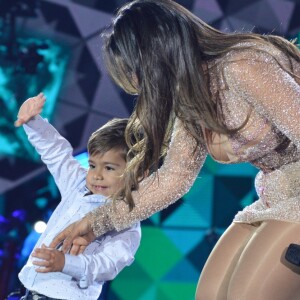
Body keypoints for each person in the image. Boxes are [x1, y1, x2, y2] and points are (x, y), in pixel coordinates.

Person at [49, 0, 300, 299]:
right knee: (210, 294)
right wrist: (96, 223)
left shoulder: (241, 67)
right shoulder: (191, 99)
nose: (139, 85)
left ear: (158, 54)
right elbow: (174, 178)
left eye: (136, 70)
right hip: (276, 192)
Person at [14, 93, 141, 300]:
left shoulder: (126, 220)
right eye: (92, 165)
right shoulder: (78, 184)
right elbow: (57, 153)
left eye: (109, 168)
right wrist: (33, 122)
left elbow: (108, 265)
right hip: (31, 291)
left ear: (136, 172)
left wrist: (65, 263)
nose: (97, 175)